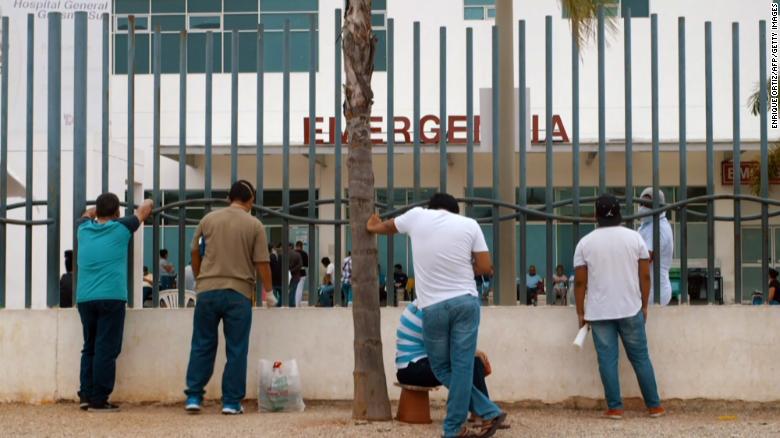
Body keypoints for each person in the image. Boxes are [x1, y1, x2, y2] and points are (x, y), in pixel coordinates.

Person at [367, 193, 507, 438]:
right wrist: (464, 265)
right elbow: (485, 268)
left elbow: (388, 226)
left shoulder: (417, 216)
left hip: (433, 307)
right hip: (466, 301)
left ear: (431, 208)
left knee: (443, 368)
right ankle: (480, 415)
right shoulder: (469, 224)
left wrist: (373, 226)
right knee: (462, 367)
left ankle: (463, 424)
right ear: (454, 211)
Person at [184, 180, 272, 415]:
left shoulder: (208, 220)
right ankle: (231, 402)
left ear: (228, 198)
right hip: (239, 293)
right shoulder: (255, 225)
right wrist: (270, 293)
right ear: (251, 200)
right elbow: (262, 262)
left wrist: (201, 277)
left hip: (207, 291)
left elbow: (194, 251)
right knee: (236, 349)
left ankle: (194, 396)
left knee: (202, 343)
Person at [573, 194, 665, 420]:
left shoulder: (585, 243)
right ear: (621, 214)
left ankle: (615, 408)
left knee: (607, 360)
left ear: (595, 215)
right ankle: (654, 406)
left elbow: (580, 282)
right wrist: (644, 305)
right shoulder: (635, 239)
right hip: (631, 308)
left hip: (599, 311)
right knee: (641, 358)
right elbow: (645, 275)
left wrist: (580, 312)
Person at [76, 193, 153, 412]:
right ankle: (99, 399)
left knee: (89, 346)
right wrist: (149, 201)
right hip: (111, 297)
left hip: (85, 298)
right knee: (106, 349)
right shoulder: (122, 227)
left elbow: (86, 214)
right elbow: (145, 209)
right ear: (117, 213)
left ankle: (85, 394)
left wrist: (95, 212)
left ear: (97, 212)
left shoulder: (82, 228)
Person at [395, 301, 507, 427]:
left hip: (415, 366)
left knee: (472, 361)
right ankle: (485, 413)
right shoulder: (428, 311)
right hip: (413, 368)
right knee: (468, 363)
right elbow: (444, 348)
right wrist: (472, 352)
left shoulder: (424, 304)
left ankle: (483, 413)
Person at [637, 187, 674, 306]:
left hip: (654, 292)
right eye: (642, 203)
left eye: (647, 204)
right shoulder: (647, 225)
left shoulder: (658, 227)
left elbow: (645, 258)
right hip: (648, 289)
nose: (643, 207)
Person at [277, 243, 303, 307]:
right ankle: (291, 304)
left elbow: (280, 265)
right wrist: (292, 270)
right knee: (293, 290)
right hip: (295, 275)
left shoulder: (283, 255)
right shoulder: (297, 254)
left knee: (284, 290)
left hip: (284, 276)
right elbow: (300, 265)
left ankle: (282, 303)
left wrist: (288, 270)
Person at [294, 241, 309, 307]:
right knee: (299, 289)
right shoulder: (304, 254)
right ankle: (297, 304)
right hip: (302, 273)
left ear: (296, 245)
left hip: (293, 273)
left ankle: (294, 303)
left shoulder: (293, 253)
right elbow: (306, 265)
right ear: (302, 246)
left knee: (294, 289)